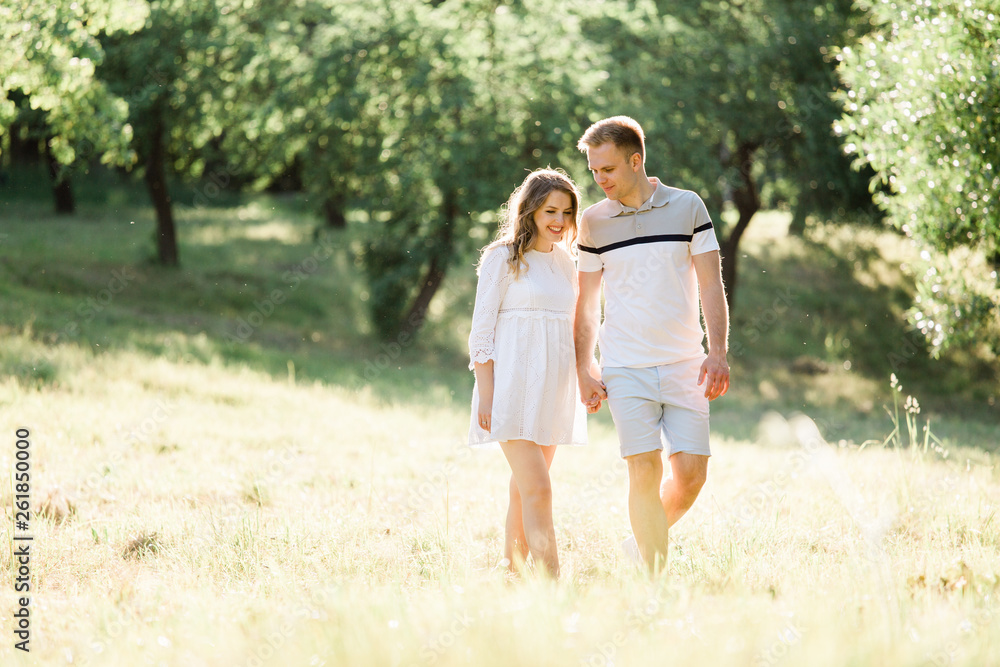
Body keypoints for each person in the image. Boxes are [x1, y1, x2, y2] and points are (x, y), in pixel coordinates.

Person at [573, 116, 730, 573]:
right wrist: (585, 367)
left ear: (635, 160)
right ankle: (653, 580)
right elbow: (585, 306)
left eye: (607, 170)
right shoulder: (594, 223)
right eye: (593, 171)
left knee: (691, 476)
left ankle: (641, 540)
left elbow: (711, 287)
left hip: (686, 364)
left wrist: (717, 352)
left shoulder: (688, 208)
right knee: (644, 470)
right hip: (624, 367)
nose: (599, 180)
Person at [468, 168, 589, 578]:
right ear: (531, 209)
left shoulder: (567, 262)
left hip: (554, 389)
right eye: (551, 210)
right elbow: (482, 331)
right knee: (539, 488)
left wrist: (589, 374)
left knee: (524, 487)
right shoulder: (502, 258)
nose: (560, 220)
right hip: (511, 388)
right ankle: (551, 582)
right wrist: (487, 394)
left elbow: (577, 327)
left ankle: (512, 570)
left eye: (567, 212)